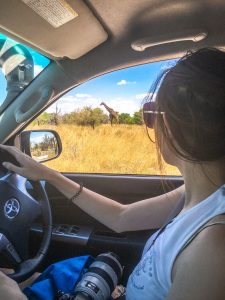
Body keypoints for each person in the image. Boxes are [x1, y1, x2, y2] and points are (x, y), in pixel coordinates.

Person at [0, 47, 225, 300]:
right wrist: (48, 174)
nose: (150, 126)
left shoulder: (215, 247)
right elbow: (121, 217)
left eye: (151, 114)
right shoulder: (200, 192)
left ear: (181, 125)